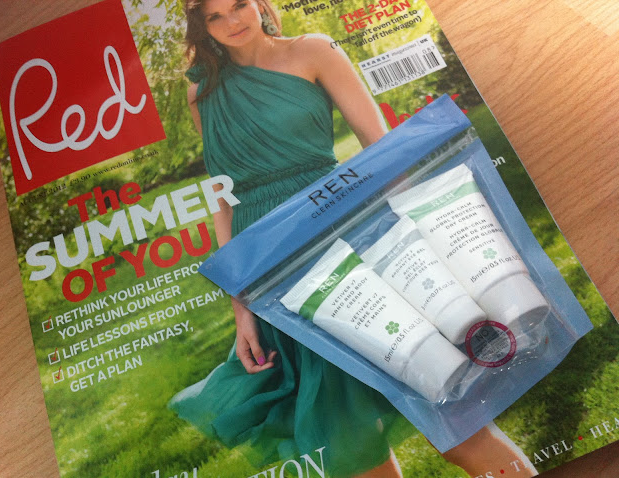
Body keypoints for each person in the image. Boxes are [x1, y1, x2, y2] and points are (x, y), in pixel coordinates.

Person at [169, 0, 538, 476]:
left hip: (341, 233)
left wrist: (422, 243)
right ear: (201, 24)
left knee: (452, 420)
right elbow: (224, 197)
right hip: (270, 269)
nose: (232, 21)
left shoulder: (313, 51)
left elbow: (380, 150)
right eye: (215, 16)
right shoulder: (201, 91)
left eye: (239, 4)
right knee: (351, 448)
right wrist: (242, 305)